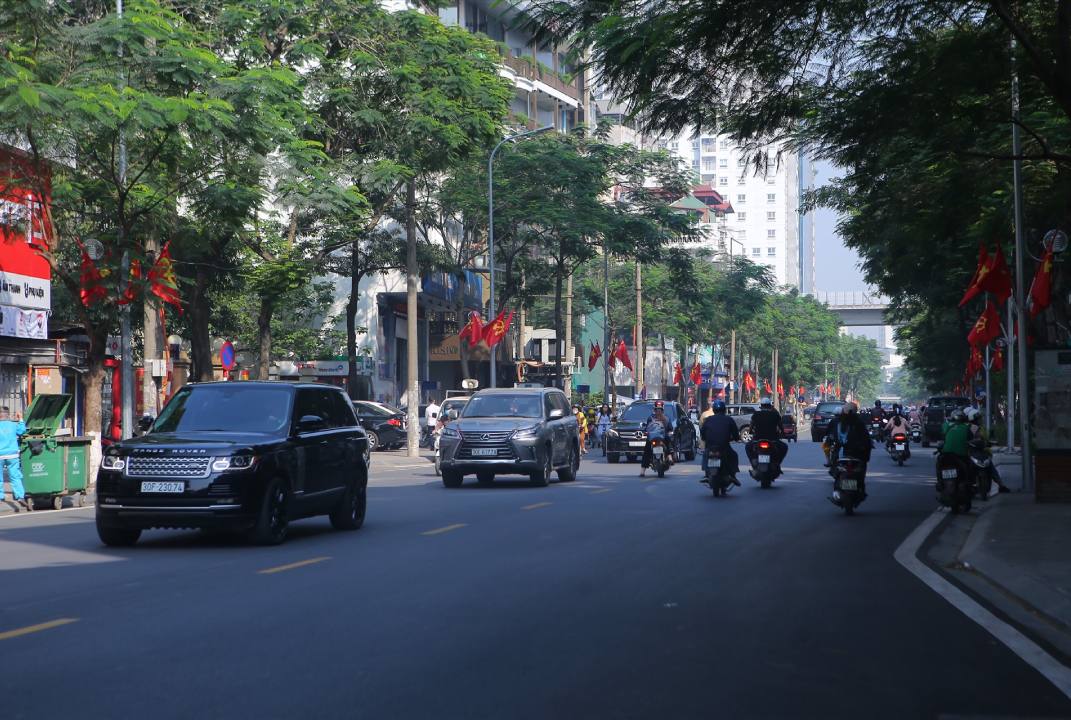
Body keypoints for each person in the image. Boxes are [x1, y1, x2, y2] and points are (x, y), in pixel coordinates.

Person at [963, 406, 1011, 495]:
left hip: (983, 452)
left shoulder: (979, 427)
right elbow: (972, 440)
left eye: (979, 418)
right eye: (978, 418)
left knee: (991, 468)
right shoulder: (972, 428)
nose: (980, 420)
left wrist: (989, 443)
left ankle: (1001, 485)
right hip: (972, 452)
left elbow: (985, 439)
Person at [826, 401, 873, 490]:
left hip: (844, 453)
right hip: (856, 454)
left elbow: (833, 437)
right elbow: (866, 439)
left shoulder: (838, 422)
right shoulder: (859, 423)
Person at [700, 400, 741, 485]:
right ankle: (733, 475)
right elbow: (736, 435)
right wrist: (735, 438)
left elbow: (702, 433)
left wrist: (705, 439)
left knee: (706, 455)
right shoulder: (729, 419)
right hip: (724, 446)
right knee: (734, 456)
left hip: (711, 446)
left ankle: (706, 474)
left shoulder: (708, 420)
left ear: (714, 410)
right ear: (724, 410)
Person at [745, 396, 788, 470]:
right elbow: (781, 427)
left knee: (747, 447)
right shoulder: (775, 414)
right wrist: (783, 434)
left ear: (761, 406)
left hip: (758, 438)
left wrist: (750, 431)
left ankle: (753, 461)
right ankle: (777, 463)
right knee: (784, 447)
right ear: (770, 406)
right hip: (772, 439)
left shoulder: (756, 414)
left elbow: (751, 426)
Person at [0, 406, 27, 508]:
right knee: (15, 476)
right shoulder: (13, 425)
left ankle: (1, 496)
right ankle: (20, 496)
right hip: (12, 455)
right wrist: (20, 418)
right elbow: (22, 431)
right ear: (8, 415)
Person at [639, 400, 673, 477]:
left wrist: (670, 432)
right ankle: (642, 470)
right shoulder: (651, 418)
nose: (658, 411)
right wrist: (646, 432)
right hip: (653, 438)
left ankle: (669, 457)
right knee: (647, 450)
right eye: (657, 409)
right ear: (654, 409)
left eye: (660, 409)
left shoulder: (666, 418)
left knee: (668, 442)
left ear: (662, 410)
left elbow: (670, 429)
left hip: (662, 438)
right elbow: (647, 428)